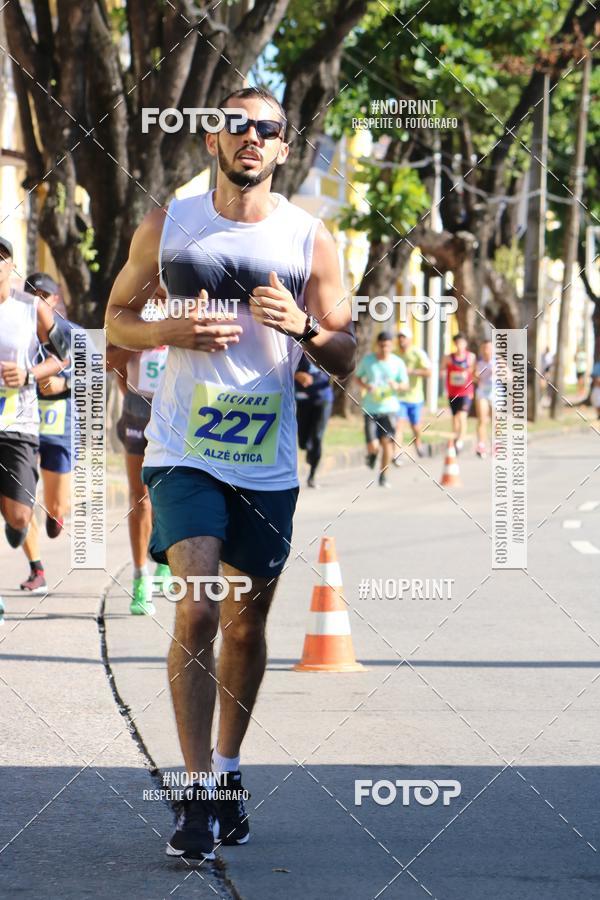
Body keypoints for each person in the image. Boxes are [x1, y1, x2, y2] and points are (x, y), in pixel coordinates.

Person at [105, 86, 355, 860]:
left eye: (267, 130)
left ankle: (229, 766)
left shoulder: (310, 239)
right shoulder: (169, 224)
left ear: (284, 148)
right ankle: (195, 794)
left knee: (247, 624)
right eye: (237, 125)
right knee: (200, 608)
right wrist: (164, 326)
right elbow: (114, 315)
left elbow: (347, 351)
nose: (252, 138)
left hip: (266, 462)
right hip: (184, 452)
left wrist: (306, 328)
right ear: (213, 138)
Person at [0, 239, 67, 558]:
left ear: (12, 266)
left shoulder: (32, 308)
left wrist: (28, 374)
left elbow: (63, 357)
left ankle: (15, 521)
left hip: (18, 423)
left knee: (19, 516)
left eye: (2, 257)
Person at [107, 320, 172, 616]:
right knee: (140, 497)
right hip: (139, 408)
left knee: (168, 492)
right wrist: (143, 337)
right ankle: (140, 577)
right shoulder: (132, 303)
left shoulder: (187, 297)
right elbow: (108, 361)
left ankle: (163, 559)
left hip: (176, 408)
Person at [18, 273, 73, 593]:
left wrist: (63, 383)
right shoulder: (14, 329)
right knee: (21, 496)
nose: (38, 300)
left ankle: (57, 513)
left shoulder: (71, 332)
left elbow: (97, 373)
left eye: (45, 295)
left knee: (55, 505)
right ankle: (36, 567)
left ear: (55, 299)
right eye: (32, 294)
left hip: (58, 425)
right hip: (19, 423)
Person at [356, 331, 408, 487]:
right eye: (382, 345)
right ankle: (372, 455)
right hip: (371, 409)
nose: (385, 348)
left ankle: (383, 475)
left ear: (392, 346)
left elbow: (405, 385)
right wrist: (366, 386)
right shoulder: (368, 361)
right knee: (373, 445)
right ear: (378, 345)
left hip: (389, 409)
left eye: (388, 345)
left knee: (387, 443)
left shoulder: (398, 363)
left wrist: (397, 385)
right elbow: (357, 377)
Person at [294, 352, 333, 487]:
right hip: (302, 398)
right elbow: (280, 369)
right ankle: (309, 450)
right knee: (303, 442)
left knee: (317, 436)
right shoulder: (295, 347)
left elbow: (343, 366)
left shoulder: (325, 347)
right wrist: (296, 375)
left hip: (323, 398)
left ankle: (312, 475)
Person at [395, 326, 431, 460]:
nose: (401, 340)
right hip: (398, 396)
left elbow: (429, 372)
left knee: (415, 427)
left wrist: (412, 371)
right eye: (399, 337)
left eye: (404, 337)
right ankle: (397, 452)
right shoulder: (394, 354)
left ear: (410, 339)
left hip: (415, 397)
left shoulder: (418, 353)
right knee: (398, 425)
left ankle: (418, 443)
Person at [441, 332, 476, 453]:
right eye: (457, 343)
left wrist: (466, 372)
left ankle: (461, 440)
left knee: (462, 416)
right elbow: (442, 370)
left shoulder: (471, 357)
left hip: (466, 391)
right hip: (453, 392)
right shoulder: (448, 357)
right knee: (455, 417)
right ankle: (456, 437)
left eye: (461, 342)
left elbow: (474, 372)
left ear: (465, 343)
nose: (459, 345)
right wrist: (444, 372)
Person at [474, 339, 494, 458]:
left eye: (489, 348)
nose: (487, 351)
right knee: (482, 419)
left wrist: (501, 374)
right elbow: (474, 377)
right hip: (482, 392)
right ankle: (481, 444)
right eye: (484, 348)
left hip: (496, 393)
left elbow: (510, 376)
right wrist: (476, 377)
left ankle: (497, 445)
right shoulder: (479, 363)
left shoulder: (498, 362)